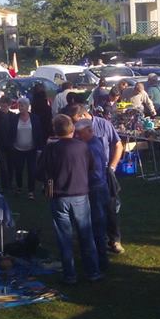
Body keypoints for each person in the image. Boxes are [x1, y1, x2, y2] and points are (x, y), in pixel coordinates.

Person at [37, 114, 101, 284]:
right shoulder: (83, 147)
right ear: (72, 129)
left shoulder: (51, 149)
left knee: (64, 237)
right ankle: (92, 271)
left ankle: (70, 274)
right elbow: (92, 167)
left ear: (55, 131)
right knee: (86, 234)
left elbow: (39, 172)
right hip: (80, 194)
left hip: (59, 197)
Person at [68, 104, 125, 254]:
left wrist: (112, 167)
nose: (74, 126)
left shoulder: (104, 124)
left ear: (82, 116)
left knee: (110, 208)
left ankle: (114, 240)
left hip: (104, 171)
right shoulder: (76, 131)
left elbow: (118, 145)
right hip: (85, 175)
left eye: (75, 121)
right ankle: (93, 240)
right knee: (90, 210)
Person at [75, 119, 111, 272]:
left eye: (80, 133)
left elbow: (94, 172)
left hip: (95, 187)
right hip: (99, 185)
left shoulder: (91, 147)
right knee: (98, 222)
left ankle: (100, 259)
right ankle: (99, 257)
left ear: (89, 130)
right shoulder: (95, 143)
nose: (78, 135)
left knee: (96, 224)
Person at [8, 97, 44, 198]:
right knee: (18, 169)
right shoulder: (14, 119)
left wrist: (40, 148)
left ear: (28, 107)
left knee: (31, 170)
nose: (21, 107)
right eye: (20, 105)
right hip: (17, 148)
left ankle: (31, 191)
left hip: (31, 149)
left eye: (23, 105)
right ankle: (19, 187)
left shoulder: (35, 118)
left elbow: (39, 133)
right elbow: (11, 133)